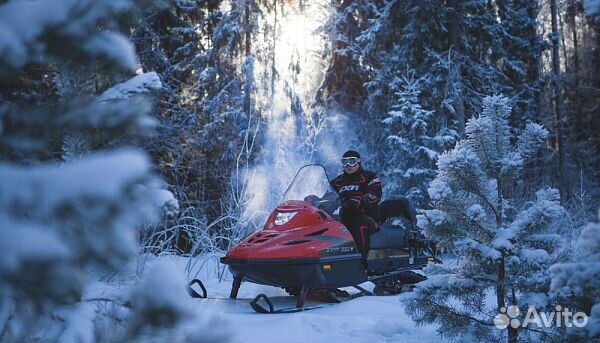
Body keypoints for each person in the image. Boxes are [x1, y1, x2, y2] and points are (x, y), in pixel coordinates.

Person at [330, 150, 382, 268]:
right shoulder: (336, 182)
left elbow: (375, 194)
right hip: (345, 217)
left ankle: (361, 261)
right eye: (345, 162)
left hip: (368, 217)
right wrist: (315, 200)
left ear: (358, 162)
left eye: (352, 161)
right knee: (329, 226)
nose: (348, 165)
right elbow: (329, 197)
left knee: (359, 224)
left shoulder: (370, 177)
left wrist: (360, 201)